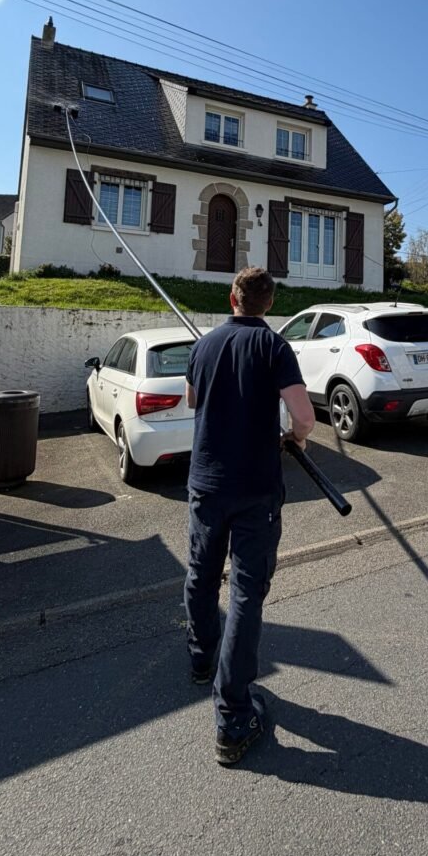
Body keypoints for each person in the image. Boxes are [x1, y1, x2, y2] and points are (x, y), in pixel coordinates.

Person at [183, 266, 316, 765]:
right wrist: (296, 439)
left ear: (231, 297)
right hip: (256, 489)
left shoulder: (204, 346)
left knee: (200, 575)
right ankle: (233, 717)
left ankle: (202, 660)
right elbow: (303, 416)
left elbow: (193, 401)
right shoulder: (276, 347)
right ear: (269, 303)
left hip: (206, 484)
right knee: (244, 592)